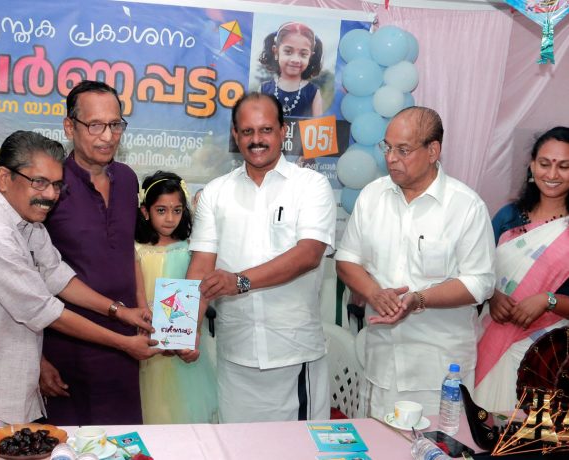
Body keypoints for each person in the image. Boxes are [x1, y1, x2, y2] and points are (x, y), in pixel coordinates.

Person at [0, 131, 159, 427]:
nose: (50, 195)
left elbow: (56, 275)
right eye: (40, 182)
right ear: (4, 178)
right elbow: (46, 311)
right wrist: (124, 343)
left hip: (3, 388)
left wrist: (120, 312)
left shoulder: (26, 218)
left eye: (57, 185)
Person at [335, 106, 495, 418]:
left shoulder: (465, 206)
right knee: (377, 441)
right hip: (380, 360)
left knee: (436, 443)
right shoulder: (372, 196)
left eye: (403, 150)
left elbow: (480, 283)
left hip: (438, 370)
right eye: (387, 147)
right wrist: (374, 293)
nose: (391, 158)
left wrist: (418, 299)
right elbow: (346, 260)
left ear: (433, 151)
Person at [185, 92, 336, 422]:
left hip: (293, 354)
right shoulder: (216, 192)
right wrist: (183, 331)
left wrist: (239, 282)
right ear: (235, 135)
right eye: (247, 131)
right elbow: (200, 267)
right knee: (235, 445)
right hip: (235, 355)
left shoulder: (311, 185)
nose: (257, 140)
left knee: (298, 447)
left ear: (283, 131)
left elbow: (308, 255)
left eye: (266, 130)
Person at [41, 80, 145, 425]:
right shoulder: (51, 185)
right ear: (70, 127)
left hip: (125, 345)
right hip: (66, 350)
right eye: (95, 125)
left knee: (123, 442)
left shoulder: (127, 179)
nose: (108, 136)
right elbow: (28, 281)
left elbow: (128, 251)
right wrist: (37, 361)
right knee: (68, 444)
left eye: (115, 124)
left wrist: (142, 309)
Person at [474, 126, 569, 412]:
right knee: (480, 424)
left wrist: (548, 300)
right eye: (545, 164)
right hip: (489, 336)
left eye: (564, 166)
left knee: (526, 432)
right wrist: (492, 295)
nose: (552, 174)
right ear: (532, 165)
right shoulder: (508, 217)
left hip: (546, 355)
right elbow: (475, 271)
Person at [134, 171, 218, 424]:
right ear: (145, 211)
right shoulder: (136, 250)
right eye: (161, 210)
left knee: (182, 410)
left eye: (177, 210)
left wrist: (184, 337)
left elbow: (197, 294)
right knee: (151, 407)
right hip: (147, 341)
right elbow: (138, 295)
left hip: (182, 344)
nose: (170, 218)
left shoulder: (190, 250)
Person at [259, 21, 324, 118]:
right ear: (276, 52)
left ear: (310, 57)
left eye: (303, 54)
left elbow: (319, 125)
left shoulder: (313, 92)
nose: (295, 60)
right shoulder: (264, 89)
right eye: (288, 52)